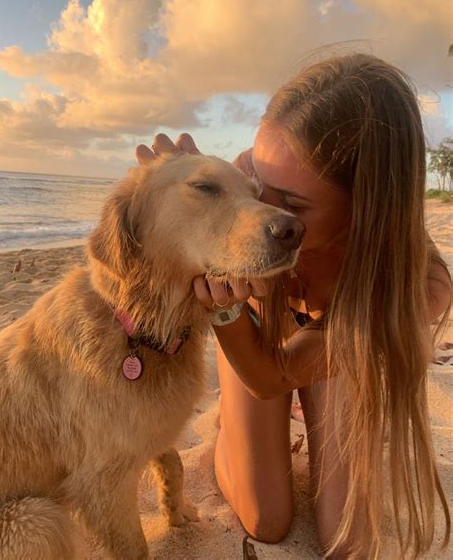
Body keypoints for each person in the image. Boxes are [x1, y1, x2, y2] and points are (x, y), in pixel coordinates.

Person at [136, 53, 451, 558]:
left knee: (348, 540)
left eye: (294, 205)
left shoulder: (415, 287)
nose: (261, 212)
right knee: (266, 520)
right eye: (259, 182)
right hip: (257, 324)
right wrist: (179, 192)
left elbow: (276, 376)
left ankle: (275, 416)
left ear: (363, 209)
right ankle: (228, 435)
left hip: (341, 342)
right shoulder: (253, 181)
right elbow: (260, 372)